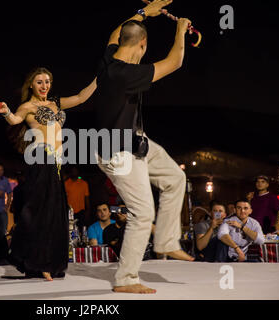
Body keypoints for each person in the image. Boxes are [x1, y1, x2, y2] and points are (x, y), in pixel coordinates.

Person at [92, 0, 194, 293]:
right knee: (142, 213)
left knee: (175, 178)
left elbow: (115, 34)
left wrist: (141, 15)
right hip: (118, 151)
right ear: (143, 45)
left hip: (135, 141)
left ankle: (165, 241)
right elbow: (175, 62)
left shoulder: (108, 59)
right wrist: (180, 30)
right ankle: (125, 279)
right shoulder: (125, 74)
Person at [0, 66, 96, 280]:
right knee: (41, 212)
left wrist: (101, 78)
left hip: (56, 163)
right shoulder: (28, 106)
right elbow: (15, 120)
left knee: (56, 215)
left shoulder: (55, 103)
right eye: (39, 82)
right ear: (31, 84)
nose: (44, 86)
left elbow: (80, 97)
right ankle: (38, 262)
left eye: (47, 81)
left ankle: (48, 262)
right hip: (41, 159)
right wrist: (6, 112)